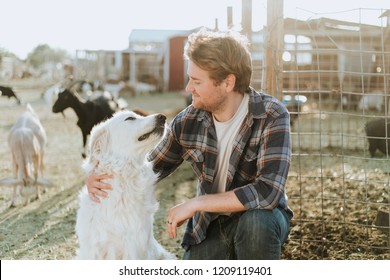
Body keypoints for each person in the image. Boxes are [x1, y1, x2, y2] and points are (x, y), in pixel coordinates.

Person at [86, 28, 293, 260]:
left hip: (259, 219)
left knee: (257, 224)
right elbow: (149, 167)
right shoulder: (188, 120)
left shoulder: (271, 115)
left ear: (227, 83)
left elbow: (268, 192)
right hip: (210, 225)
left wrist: (197, 203)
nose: (188, 88)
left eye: (196, 81)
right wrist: (97, 176)